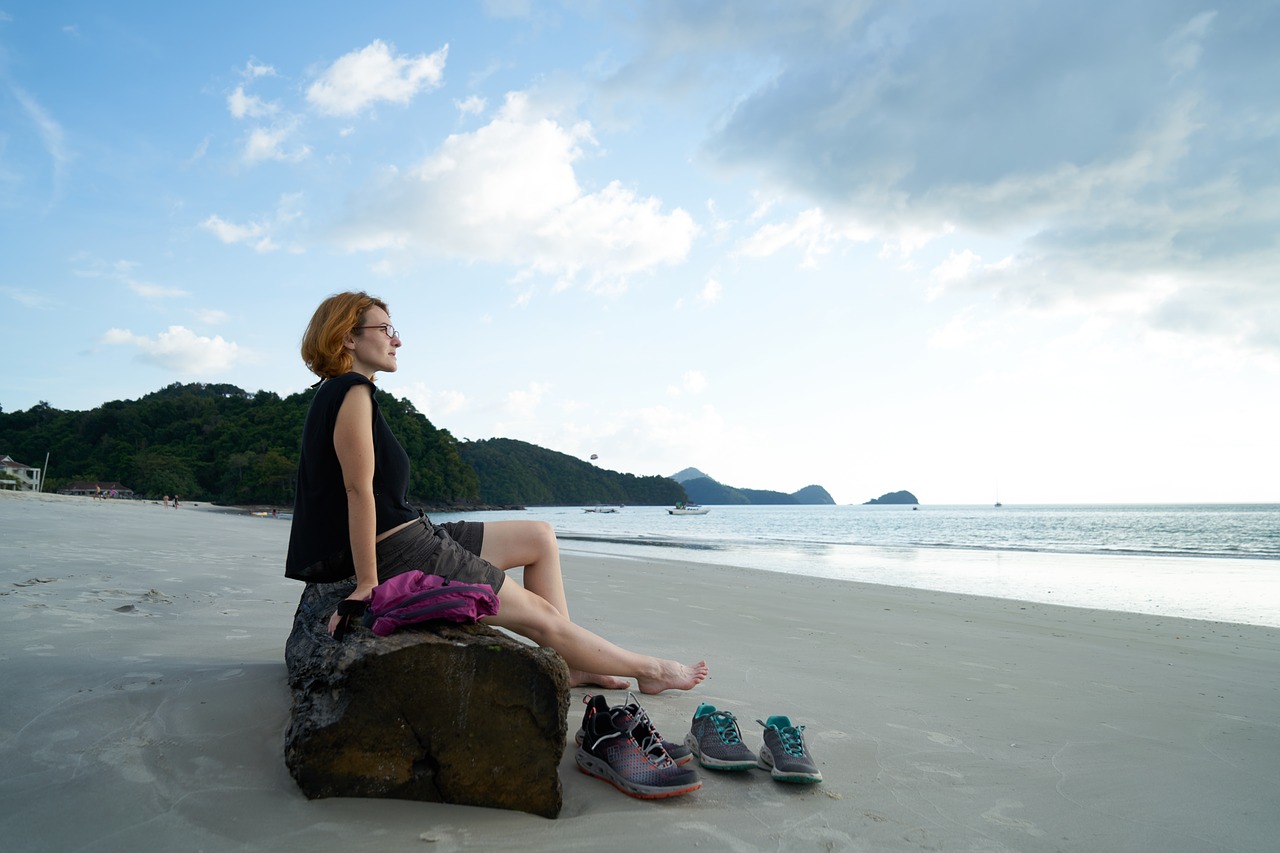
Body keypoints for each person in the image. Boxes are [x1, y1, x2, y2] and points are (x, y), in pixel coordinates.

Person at [284, 291, 707, 694]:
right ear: (348, 337)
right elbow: (357, 492)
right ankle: (650, 670)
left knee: (539, 535)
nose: (398, 339)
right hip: (401, 549)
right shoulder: (352, 390)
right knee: (538, 617)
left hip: (417, 533)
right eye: (385, 328)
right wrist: (367, 584)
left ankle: (577, 663)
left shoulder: (339, 393)